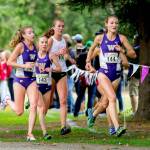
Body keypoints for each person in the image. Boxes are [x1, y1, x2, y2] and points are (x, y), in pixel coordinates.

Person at [85, 15, 136, 137]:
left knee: (106, 102)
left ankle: (93, 114)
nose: (114, 25)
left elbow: (133, 54)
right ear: (106, 24)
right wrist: (88, 63)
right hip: (103, 74)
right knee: (112, 98)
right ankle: (116, 128)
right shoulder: (99, 38)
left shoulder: (121, 38)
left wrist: (122, 51)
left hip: (117, 76)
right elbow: (91, 50)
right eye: (112, 23)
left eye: (116, 23)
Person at [3, 26, 38, 141]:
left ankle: (30, 134)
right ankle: (7, 100)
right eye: (29, 33)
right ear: (23, 35)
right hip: (19, 80)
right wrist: (24, 65)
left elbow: (37, 60)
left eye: (33, 32)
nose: (32, 34)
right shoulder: (20, 46)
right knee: (19, 112)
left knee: (33, 105)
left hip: (32, 79)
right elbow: (9, 62)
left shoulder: (35, 46)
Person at [44, 19, 74, 135]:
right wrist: (57, 54)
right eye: (59, 26)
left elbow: (65, 54)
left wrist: (70, 59)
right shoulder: (51, 40)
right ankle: (42, 123)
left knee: (63, 100)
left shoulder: (64, 40)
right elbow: (45, 55)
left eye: (62, 26)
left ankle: (63, 127)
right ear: (54, 28)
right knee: (49, 100)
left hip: (62, 72)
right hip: (51, 72)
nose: (61, 28)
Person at [35, 36, 61, 140]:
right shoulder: (34, 56)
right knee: (41, 108)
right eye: (42, 42)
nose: (44, 44)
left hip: (47, 86)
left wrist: (51, 69)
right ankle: (45, 133)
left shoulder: (51, 55)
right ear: (38, 44)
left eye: (46, 42)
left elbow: (59, 68)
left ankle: (40, 124)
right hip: (36, 86)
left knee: (44, 110)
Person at [128, 34, 140, 114]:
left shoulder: (134, 50)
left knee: (133, 93)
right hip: (146, 73)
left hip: (135, 74)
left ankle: (135, 111)